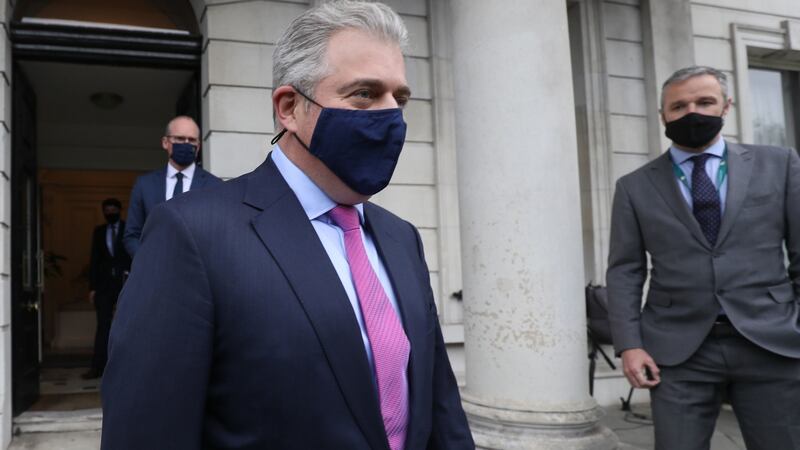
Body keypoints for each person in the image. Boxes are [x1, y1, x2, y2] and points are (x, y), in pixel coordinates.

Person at [100, 2, 474, 449]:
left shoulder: (402, 239)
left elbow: (442, 414)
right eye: (365, 93)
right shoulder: (191, 234)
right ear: (290, 107)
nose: (390, 115)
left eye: (400, 98)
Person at [607, 65, 800, 450]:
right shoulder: (633, 187)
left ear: (726, 106)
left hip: (771, 341)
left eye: (704, 101)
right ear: (663, 115)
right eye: (678, 106)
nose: (691, 112)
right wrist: (630, 344)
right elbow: (625, 270)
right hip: (676, 353)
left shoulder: (779, 164)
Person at [122, 115, 223, 258]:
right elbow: (132, 235)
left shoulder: (215, 185)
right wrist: (148, 261)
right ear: (165, 142)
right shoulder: (144, 185)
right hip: (155, 273)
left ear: (198, 146)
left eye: (192, 140)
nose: (186, 144)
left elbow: (220, 235)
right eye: (180, 139)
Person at [84, 198, 130, 379]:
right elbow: (94, 260)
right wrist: (92, 288)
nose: (110, 212)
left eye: (113, 209)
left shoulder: (129, 230)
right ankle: (98, 367)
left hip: (125, 284)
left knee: (126, 325)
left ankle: (126, 367)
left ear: (120, 210)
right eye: (107, 210)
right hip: (103, 287)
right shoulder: (99, 232)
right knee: (103, 326)